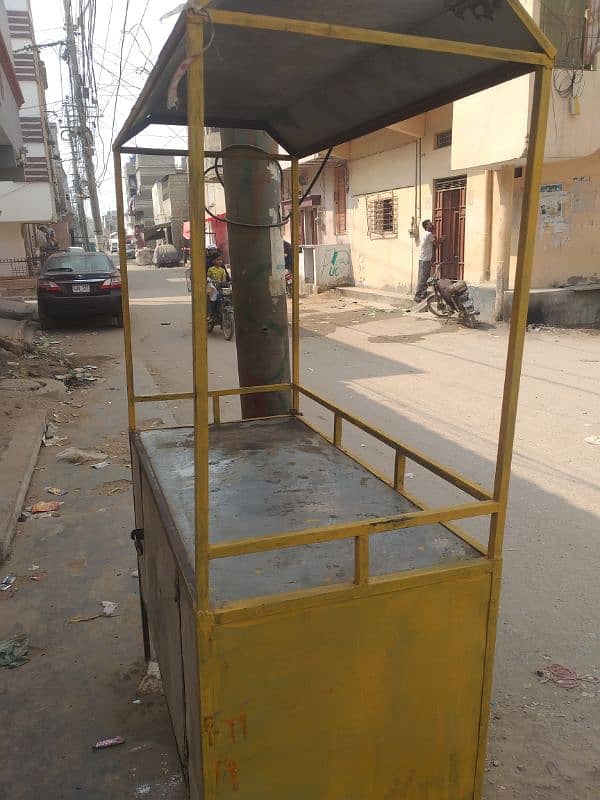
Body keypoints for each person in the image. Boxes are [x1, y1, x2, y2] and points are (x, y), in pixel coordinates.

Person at [414, 219, 439, 301]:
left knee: (424, 276)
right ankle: (418, 295)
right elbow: (436, 243)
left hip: (423, 258)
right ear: (426, 226)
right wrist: (442, 239)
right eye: (430, 224)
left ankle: (422, 294)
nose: (432, 225)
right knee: (423, 277)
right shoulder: (428, 234)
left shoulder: (425, 234)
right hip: (425, 259)